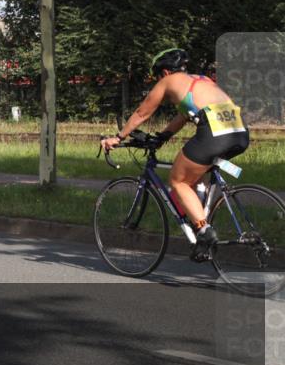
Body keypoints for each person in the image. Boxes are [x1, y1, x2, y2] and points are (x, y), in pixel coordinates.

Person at [101, 48, 249, 260]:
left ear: (165, 72)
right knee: (198, 175)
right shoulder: (201, 79)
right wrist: (162, 137)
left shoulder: (168, 82)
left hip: (214, 133)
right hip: (240, 132)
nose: (158, 80)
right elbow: (183, 116)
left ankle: (204, 232)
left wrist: (118, 137)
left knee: (178, 181)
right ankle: (201, 222)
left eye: (158, 76)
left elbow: (143, 113)